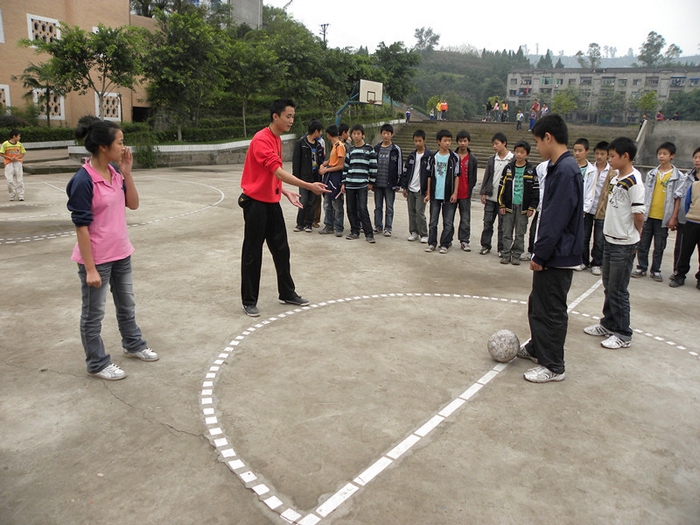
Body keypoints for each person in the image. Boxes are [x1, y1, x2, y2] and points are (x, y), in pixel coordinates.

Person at [66, 120, 157, 381]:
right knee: (93, 314)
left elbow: (134, 205)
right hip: (97, 259)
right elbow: (81, 228)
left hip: (121, 253)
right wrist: (90, 269)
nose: (124, 147)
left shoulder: (115, 173)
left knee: (127, 304)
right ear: (104, 147)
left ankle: (133, 344)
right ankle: (96, 363)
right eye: (120, 142)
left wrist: (127, 173)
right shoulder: (83, 180)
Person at [238, 99, 329, 317]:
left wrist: (284, 191)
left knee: (281, 249)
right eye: (288, 116)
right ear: (275, 116)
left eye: (293, 116)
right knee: (252, 252)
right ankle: (249, 300)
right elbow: (278, 171)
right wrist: (309, 186)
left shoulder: (276, 139)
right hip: (255, 204)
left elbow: (271, 175)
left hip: (271, 202)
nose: (291, 120)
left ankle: (287, 292)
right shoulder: (262, 140)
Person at [518, 114, 583, 383]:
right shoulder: (559, 167)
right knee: (538, 304)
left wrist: (541, 254)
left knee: (552, 310)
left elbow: (556, 218)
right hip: (551, 253)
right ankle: (537, 347)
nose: (537, 148)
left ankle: (554, 366)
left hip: (557, 255)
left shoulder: (566, 170)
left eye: (537, 142)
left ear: (548, 137)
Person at [583, 137, 645, 349]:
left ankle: (623, 333)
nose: (609, 160)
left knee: (618, 290)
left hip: (623, 243)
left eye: (612, 156)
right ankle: (608, 323)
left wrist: (635, 235)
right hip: (610, 239)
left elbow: (638, 214)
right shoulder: (616, 178)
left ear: (625, 156)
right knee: (609, 285)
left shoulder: (634, 181)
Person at [631, 142, 685, 282]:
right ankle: (641, 267)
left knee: (659, 246)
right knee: (643, 243)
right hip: (649, 214)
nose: (661, 156)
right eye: (659, 153)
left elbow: (678, 198)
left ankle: (656, 270)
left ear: (672, 156)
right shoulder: (651, 174)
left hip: (663, 217)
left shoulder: (678, 176)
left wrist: (674, 217)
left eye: (665, 154)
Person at [498, 139, 539, 265]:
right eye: (517, 152)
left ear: (527, 154)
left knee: (520, 233)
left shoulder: (531, 170)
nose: (519, 155)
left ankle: (516, 254)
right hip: (509, 206)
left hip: (523, 208)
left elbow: (535, 190)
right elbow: (501, 187)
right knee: (506, 231)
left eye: (522, 152)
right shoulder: (508, 168)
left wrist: (531, 207)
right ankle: (506, 254)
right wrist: (501, 204)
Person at [424, 129, 460, 254]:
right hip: (435, 194)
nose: (447, 143)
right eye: (445, 140)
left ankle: (445, 243)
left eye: (449, 141)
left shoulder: (454, 158)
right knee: (433, 221)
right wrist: (428, 193)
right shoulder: (433, 157)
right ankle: (431, 243)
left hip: (448, 194)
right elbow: (429, 176)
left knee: (448, 222)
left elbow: (457, 176)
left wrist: (455, 193)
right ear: (439, 141)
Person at [479, 132, 513, 256]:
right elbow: (487, 176)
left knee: (502, 225)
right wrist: (483, 192)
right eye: (493, 144)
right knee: (487, 222)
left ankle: (501, 248)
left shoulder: (512, 159)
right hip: (491, 196)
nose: (494, 146)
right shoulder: (492, 159)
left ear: (504, 143)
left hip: (504, 199)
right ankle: (485, 245)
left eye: (496, 144)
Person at [341, 124, 377, 243]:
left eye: (358, 134)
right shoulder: (350, 150)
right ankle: (354, 231)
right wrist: (343, 183)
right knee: (351, 209)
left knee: (362, 208)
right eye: (354, 134)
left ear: (363, 135)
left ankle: (369, 234)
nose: (356, 136)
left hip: (362, 185)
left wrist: (371, 182)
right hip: (350, 184)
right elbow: (346, 168)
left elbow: (373, 166)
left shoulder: (369, 149)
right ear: (351, 135)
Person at [670, 148, 700, 287]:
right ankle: (679, 275)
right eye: (695, 157)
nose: (697, 160)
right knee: (684, 250)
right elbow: (685, 201)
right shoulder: (689, 179)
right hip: (691, 221)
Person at [582, 141, 611, 275]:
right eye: (597, 153)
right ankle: (583, 260)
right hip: (588, 207)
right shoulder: (590, 169)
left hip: (602, 210)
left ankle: (597, 263)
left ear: (607, 155)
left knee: (599, 239)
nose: (599, 156)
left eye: (602, 154)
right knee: (584, 236)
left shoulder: (611, 172)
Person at [292, 119, 325, 233]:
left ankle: (309, 224)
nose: (321, 133)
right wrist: (296, 178)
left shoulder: (318, 145)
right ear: (316, 131)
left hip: (315, 178)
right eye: (320, 131)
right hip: (304, 178)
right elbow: (296, 161)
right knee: (304, 200)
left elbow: (320, 161)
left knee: (312, 202)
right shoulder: (301, 143)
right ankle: (299, 223)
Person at [401, 129, 431, 244]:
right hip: (411, 188)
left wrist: (428, 190)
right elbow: (406, 171)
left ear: (424, 140)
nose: (417, 143)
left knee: (419, 212)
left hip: (421, 189)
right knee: (411, 211)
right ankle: (414, 232)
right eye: (415, 141)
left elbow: (430, 175)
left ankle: (424, 233)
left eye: (419, 141)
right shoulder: (412, 156)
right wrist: (404, 187)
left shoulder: (429, 156)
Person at [373, 123, 403, 237]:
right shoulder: (376, 148)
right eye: (384, 133)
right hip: (377, 183)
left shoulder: (396, 149)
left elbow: (399, 166)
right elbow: (372, 164)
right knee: (378, 207)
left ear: (392, 135)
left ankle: (388, 227)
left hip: (390, 183)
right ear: (381, 134)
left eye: (388, 133)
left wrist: (398, 183)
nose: (386, 136)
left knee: (389, 207)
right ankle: (378, 226)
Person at [318, 124, 346, 237]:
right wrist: (324, 165)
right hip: (329, 176)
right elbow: (332, 160)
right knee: (327, 202)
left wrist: (326, 170)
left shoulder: (340, 146)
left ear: (328, 135)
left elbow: (341, 165)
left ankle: (338, 227)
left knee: (337, 203)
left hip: (335, 177)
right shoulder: (334, 145)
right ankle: (328, 225)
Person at [455, 130, 478, 252]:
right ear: (457, 142)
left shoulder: (472, 159)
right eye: (460, 141)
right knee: (448, 218)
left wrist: (469, 189)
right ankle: (447, 240)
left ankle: (464, 240)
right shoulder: (453, 156)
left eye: (465, 141)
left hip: (465, 193)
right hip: (453, 193)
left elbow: (473, 178)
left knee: (465, 218)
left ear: (469, 142)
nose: (462, 143)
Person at [1, 129, 26, 201]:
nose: (19, 138)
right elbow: (1, 153)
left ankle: (21, 195)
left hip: (18, 162)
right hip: (8, 162)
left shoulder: (19, 144)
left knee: (19, 179)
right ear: (14, 136)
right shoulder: (5, 144)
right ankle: (12, 194)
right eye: (18, 136)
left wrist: (17, 158)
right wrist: (9, 158)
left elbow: (23, 153)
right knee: (9, 180)